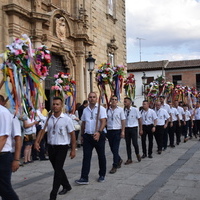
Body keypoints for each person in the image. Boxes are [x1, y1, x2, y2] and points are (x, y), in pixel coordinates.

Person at [35, 97, 76, 200]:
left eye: (57, 104)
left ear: (61, 106)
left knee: (57, 171)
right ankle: (66, 185)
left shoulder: (67, 119)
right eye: (53, 104)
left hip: (62, 147)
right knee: (58, 169)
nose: (55, 106)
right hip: (51, 147)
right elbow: (42, 131)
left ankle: (53, 195)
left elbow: (72, 135)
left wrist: (73, 149)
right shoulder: (49, 118)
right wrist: (37, 142)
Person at [75, 92, 107, 184]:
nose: (92, 98)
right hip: (88, 136)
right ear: (88, 98)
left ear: (96, 98)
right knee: (86, 157)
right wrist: (81, 135)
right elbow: (83, 123)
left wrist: (99, 132)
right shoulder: (85, 110)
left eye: (94, 97)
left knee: (101, 156)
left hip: (98, 136)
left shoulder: (101, 109)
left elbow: (103, 121)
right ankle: (84, 177)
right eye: (90, 97)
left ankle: (102, 175)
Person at [0, 95, 20, 200]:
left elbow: (16, 139)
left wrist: (16, 159)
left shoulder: (6, 114)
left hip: (3, 155)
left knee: (5, 189)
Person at [106, 95, 125, 174]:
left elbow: (123, 121)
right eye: (112, 99)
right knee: (112, 148)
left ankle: (114, 165)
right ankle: (119, 159)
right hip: (110, 130)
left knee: (115, 148)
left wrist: (123, 131)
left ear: (117, 101)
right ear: (110, 101)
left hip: (117, 130)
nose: (114, 101)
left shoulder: (120, 110)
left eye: (115, 99)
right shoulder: (107, 110)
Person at [124, 97, 142, 165]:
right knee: (127, 144)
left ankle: (137, 153)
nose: (124, 103)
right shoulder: (124, 110)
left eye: (126, 101)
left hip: (133, 128)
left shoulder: (135, 110)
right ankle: (129, 158)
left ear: (130, 102)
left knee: (135, 143)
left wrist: (140, 129)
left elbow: (139, 119)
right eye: (124, 101)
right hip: (126, 128)